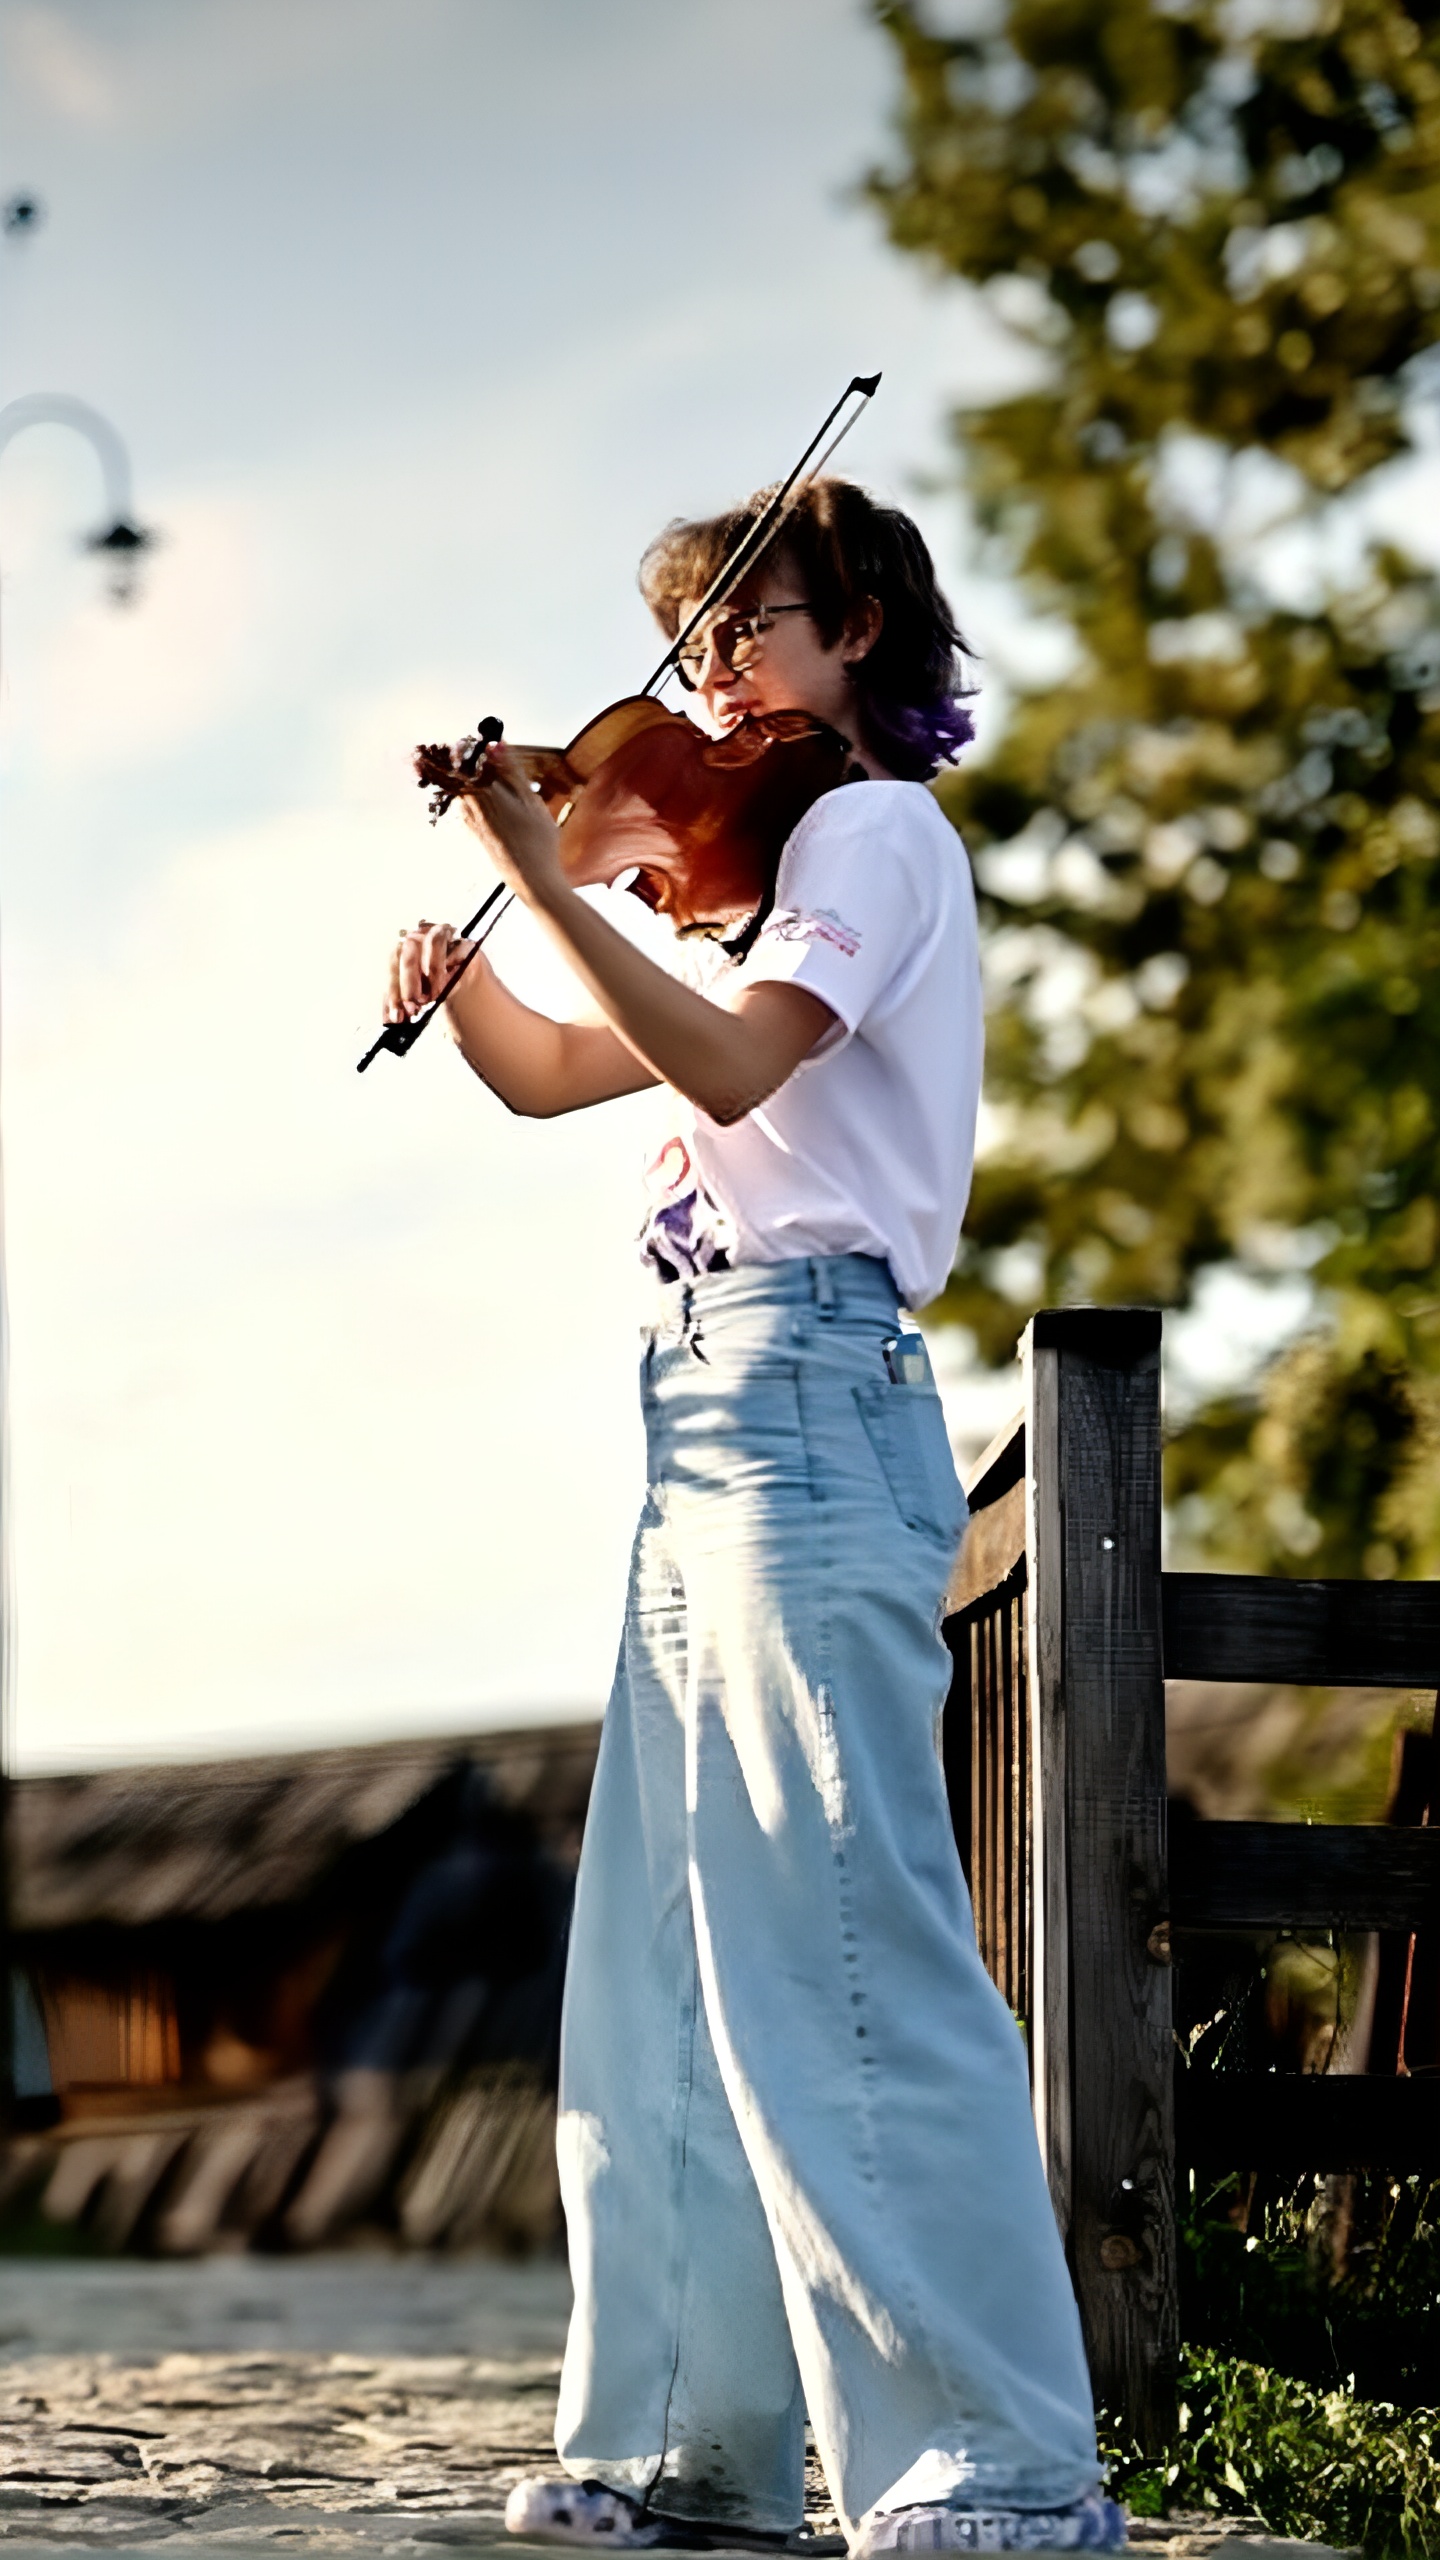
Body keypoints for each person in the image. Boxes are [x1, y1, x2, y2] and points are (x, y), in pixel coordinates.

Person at [384, 479, 1122, 2559]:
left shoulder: (873, 838)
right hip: (701, 1414)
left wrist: (552, 866)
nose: (707, 667)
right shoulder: (744, 883)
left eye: (750, 621)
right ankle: (691, 2447)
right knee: (669, 1953)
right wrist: (481, 965)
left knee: (848, 1936)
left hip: (806, 1393)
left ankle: (1006, 2457)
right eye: (693, 633)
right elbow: (564, 1072)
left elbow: (722, 1043)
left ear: (862, 624)